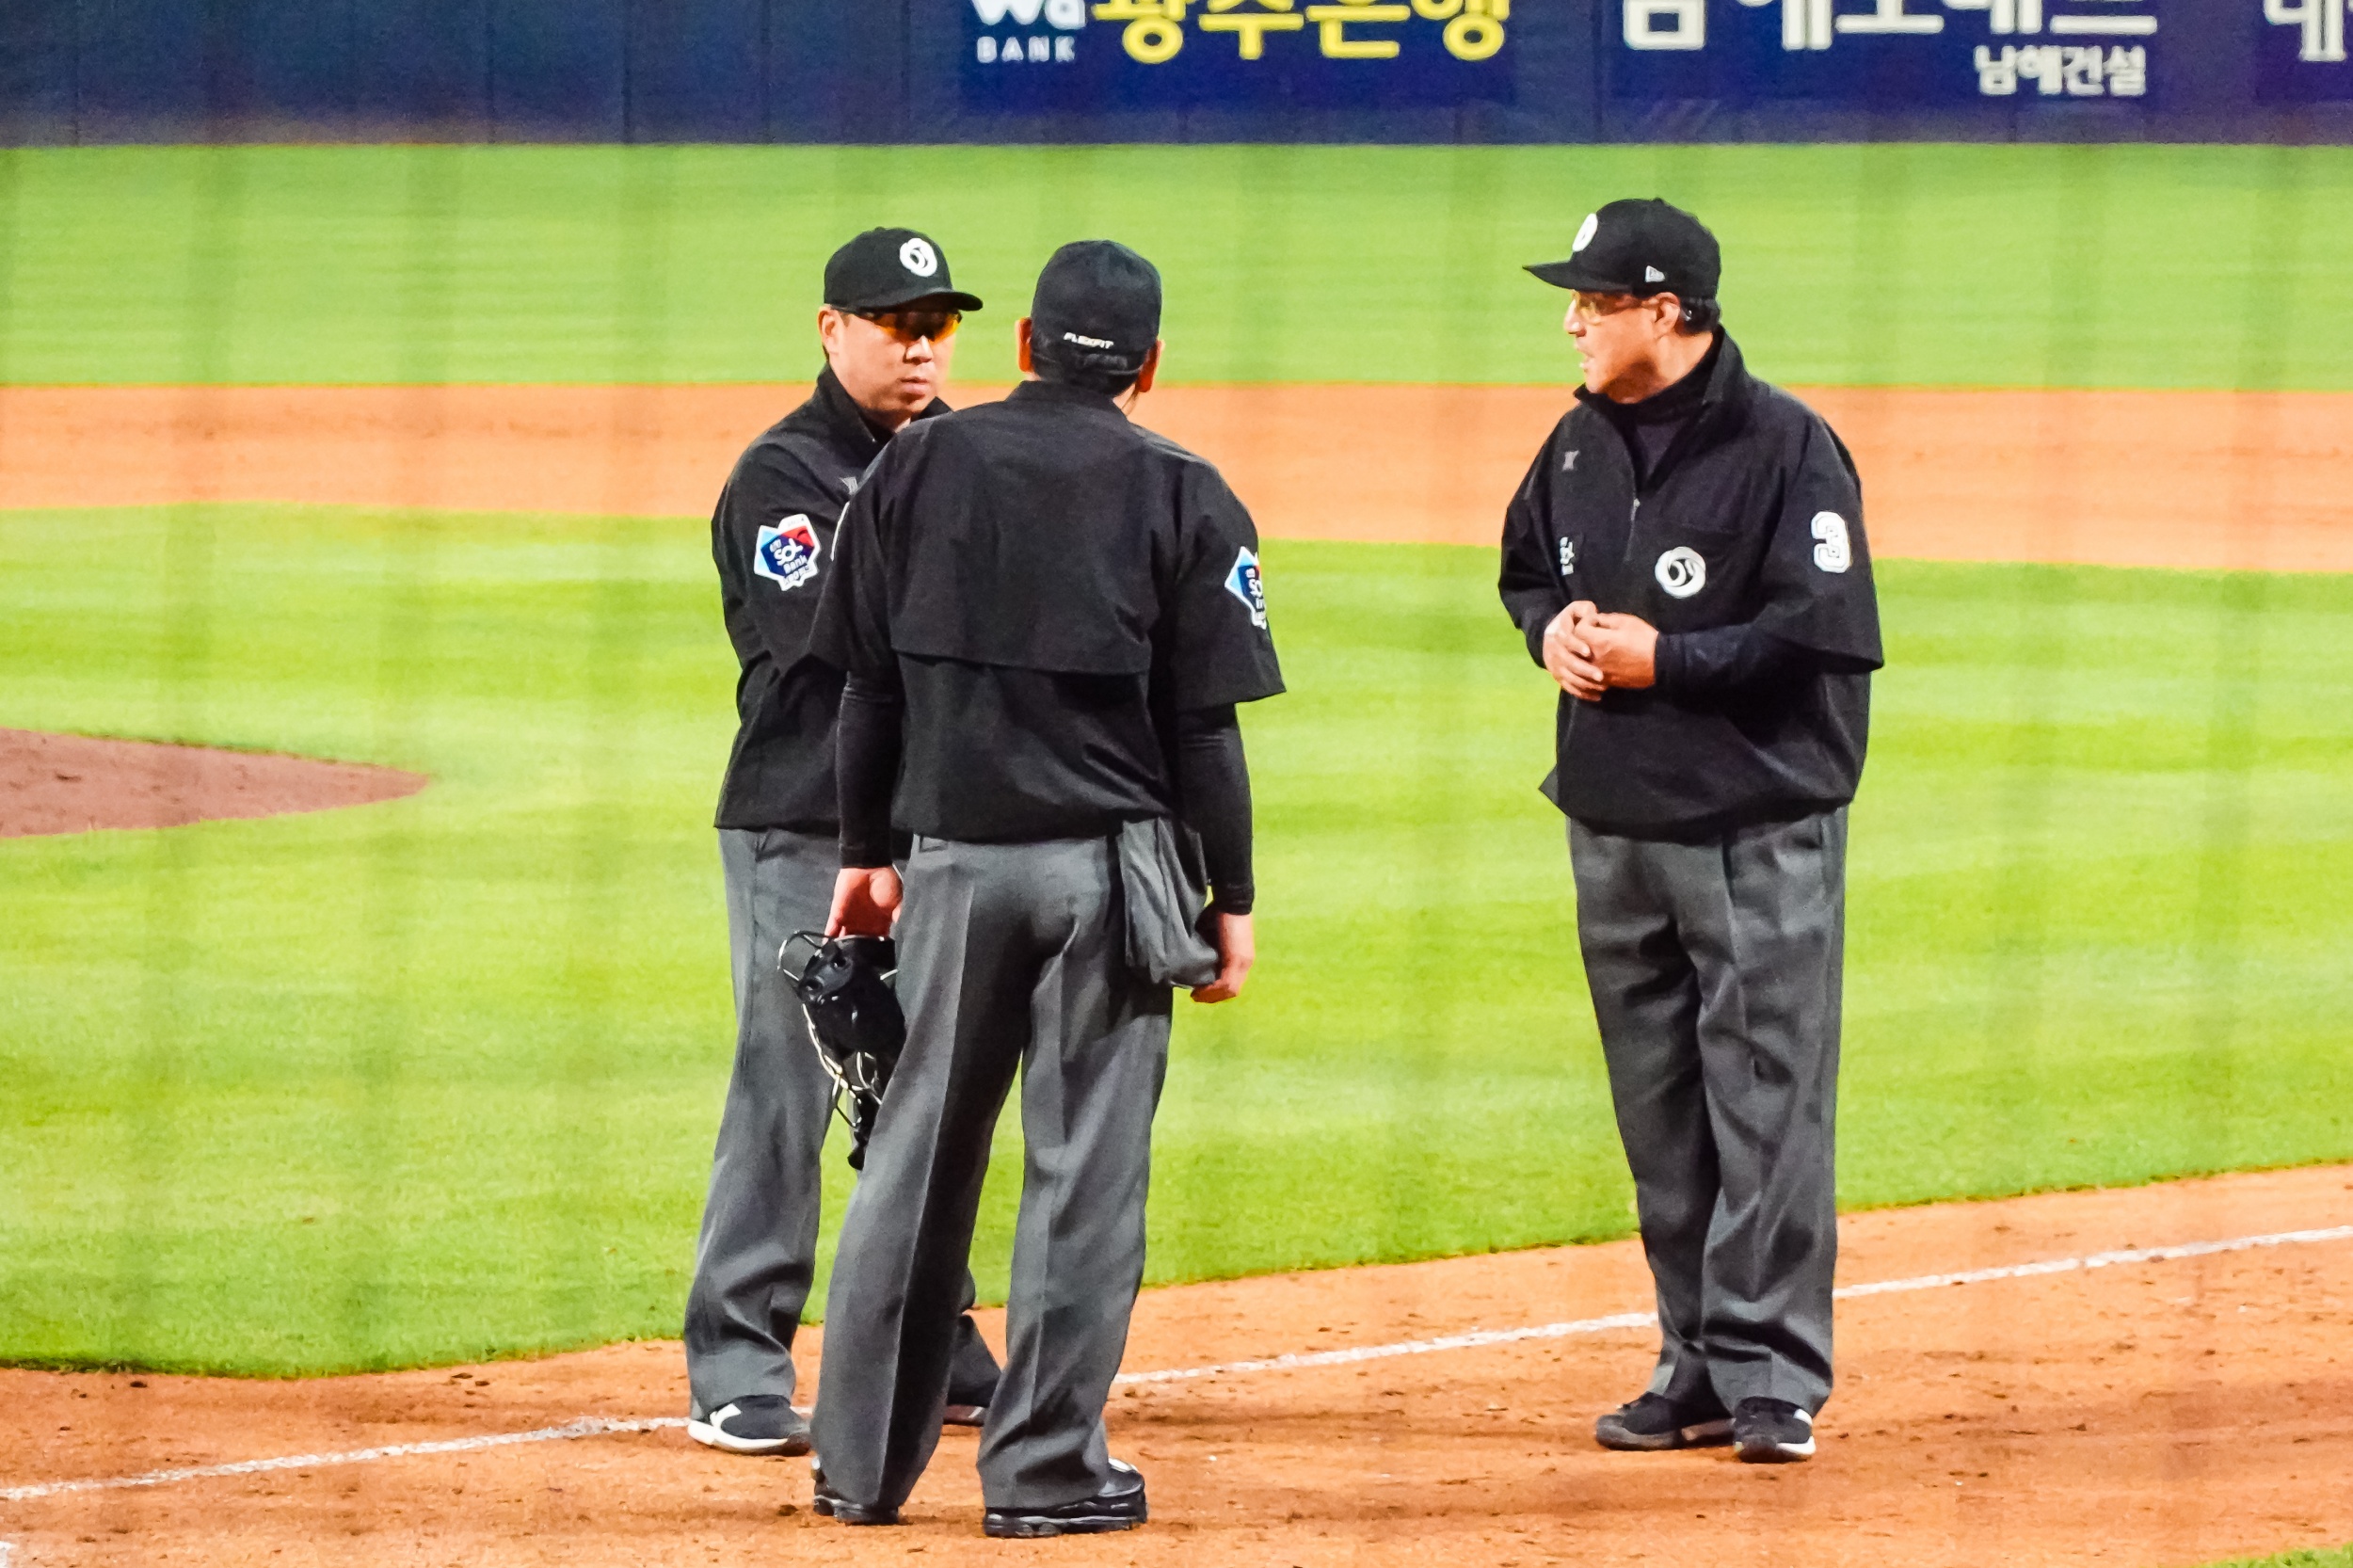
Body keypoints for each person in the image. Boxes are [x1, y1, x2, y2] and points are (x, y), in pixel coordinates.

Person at [805, 240, 1283, 1537]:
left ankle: (858, 1467)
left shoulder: (913, 465)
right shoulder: (1183, 488)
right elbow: (1206, 729)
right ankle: (1044, 1473)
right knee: (1084, 1178)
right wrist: (1230, 893)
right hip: (1107, 883)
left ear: (1022, 342)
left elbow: (867, 688)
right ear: (1150, 363)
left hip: (954, 871)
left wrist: (865, 853)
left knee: (914, 1161)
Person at [1497, 199, 1883, 1465]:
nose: (1573, 321)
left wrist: (1668, 660)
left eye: (1595, 302)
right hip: (1614, 822)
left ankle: (1774, 1375)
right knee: (1663, 1118)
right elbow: (1525, 571)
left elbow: (1823, 628)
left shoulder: (1787, 446)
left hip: (1753, 822)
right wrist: (1551, 632)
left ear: (1667, 313)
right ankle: (1699, 1363)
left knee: (1765, 1107)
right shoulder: (1575, 442)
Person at [684, 226, 1003, 1459]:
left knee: (924, 1087)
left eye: (937, 327)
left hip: (933, 825)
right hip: (803, 823)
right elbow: (828, 643)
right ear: (832, 330)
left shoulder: (964, 455)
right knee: (790, 1083)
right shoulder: (786, 474)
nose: (920, 348)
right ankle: (737, 1360)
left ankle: (939, 1336)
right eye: (894, 324)